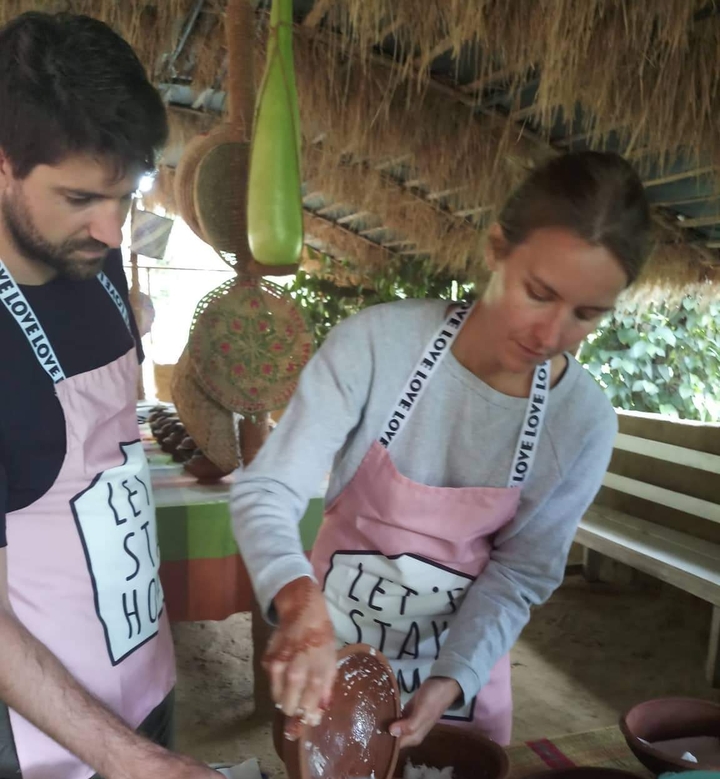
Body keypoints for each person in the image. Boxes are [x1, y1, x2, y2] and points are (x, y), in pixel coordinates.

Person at [231, 151, 652, 748]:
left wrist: (453, 679)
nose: (550, 336)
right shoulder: (378, 346)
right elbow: (268, 489)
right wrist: (297, 602)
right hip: (330, 659)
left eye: (586, 315)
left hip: (458, 679)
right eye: (538, 293)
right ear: (497, 248)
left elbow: (521, 572)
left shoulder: (582, 421)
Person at [0, 11, 256, 779]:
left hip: (141, 670)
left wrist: (151, 752)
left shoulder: (95, 252)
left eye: (125, 196)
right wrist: (139, 768)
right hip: (36, 737)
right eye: (79, 198)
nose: (112, 231)